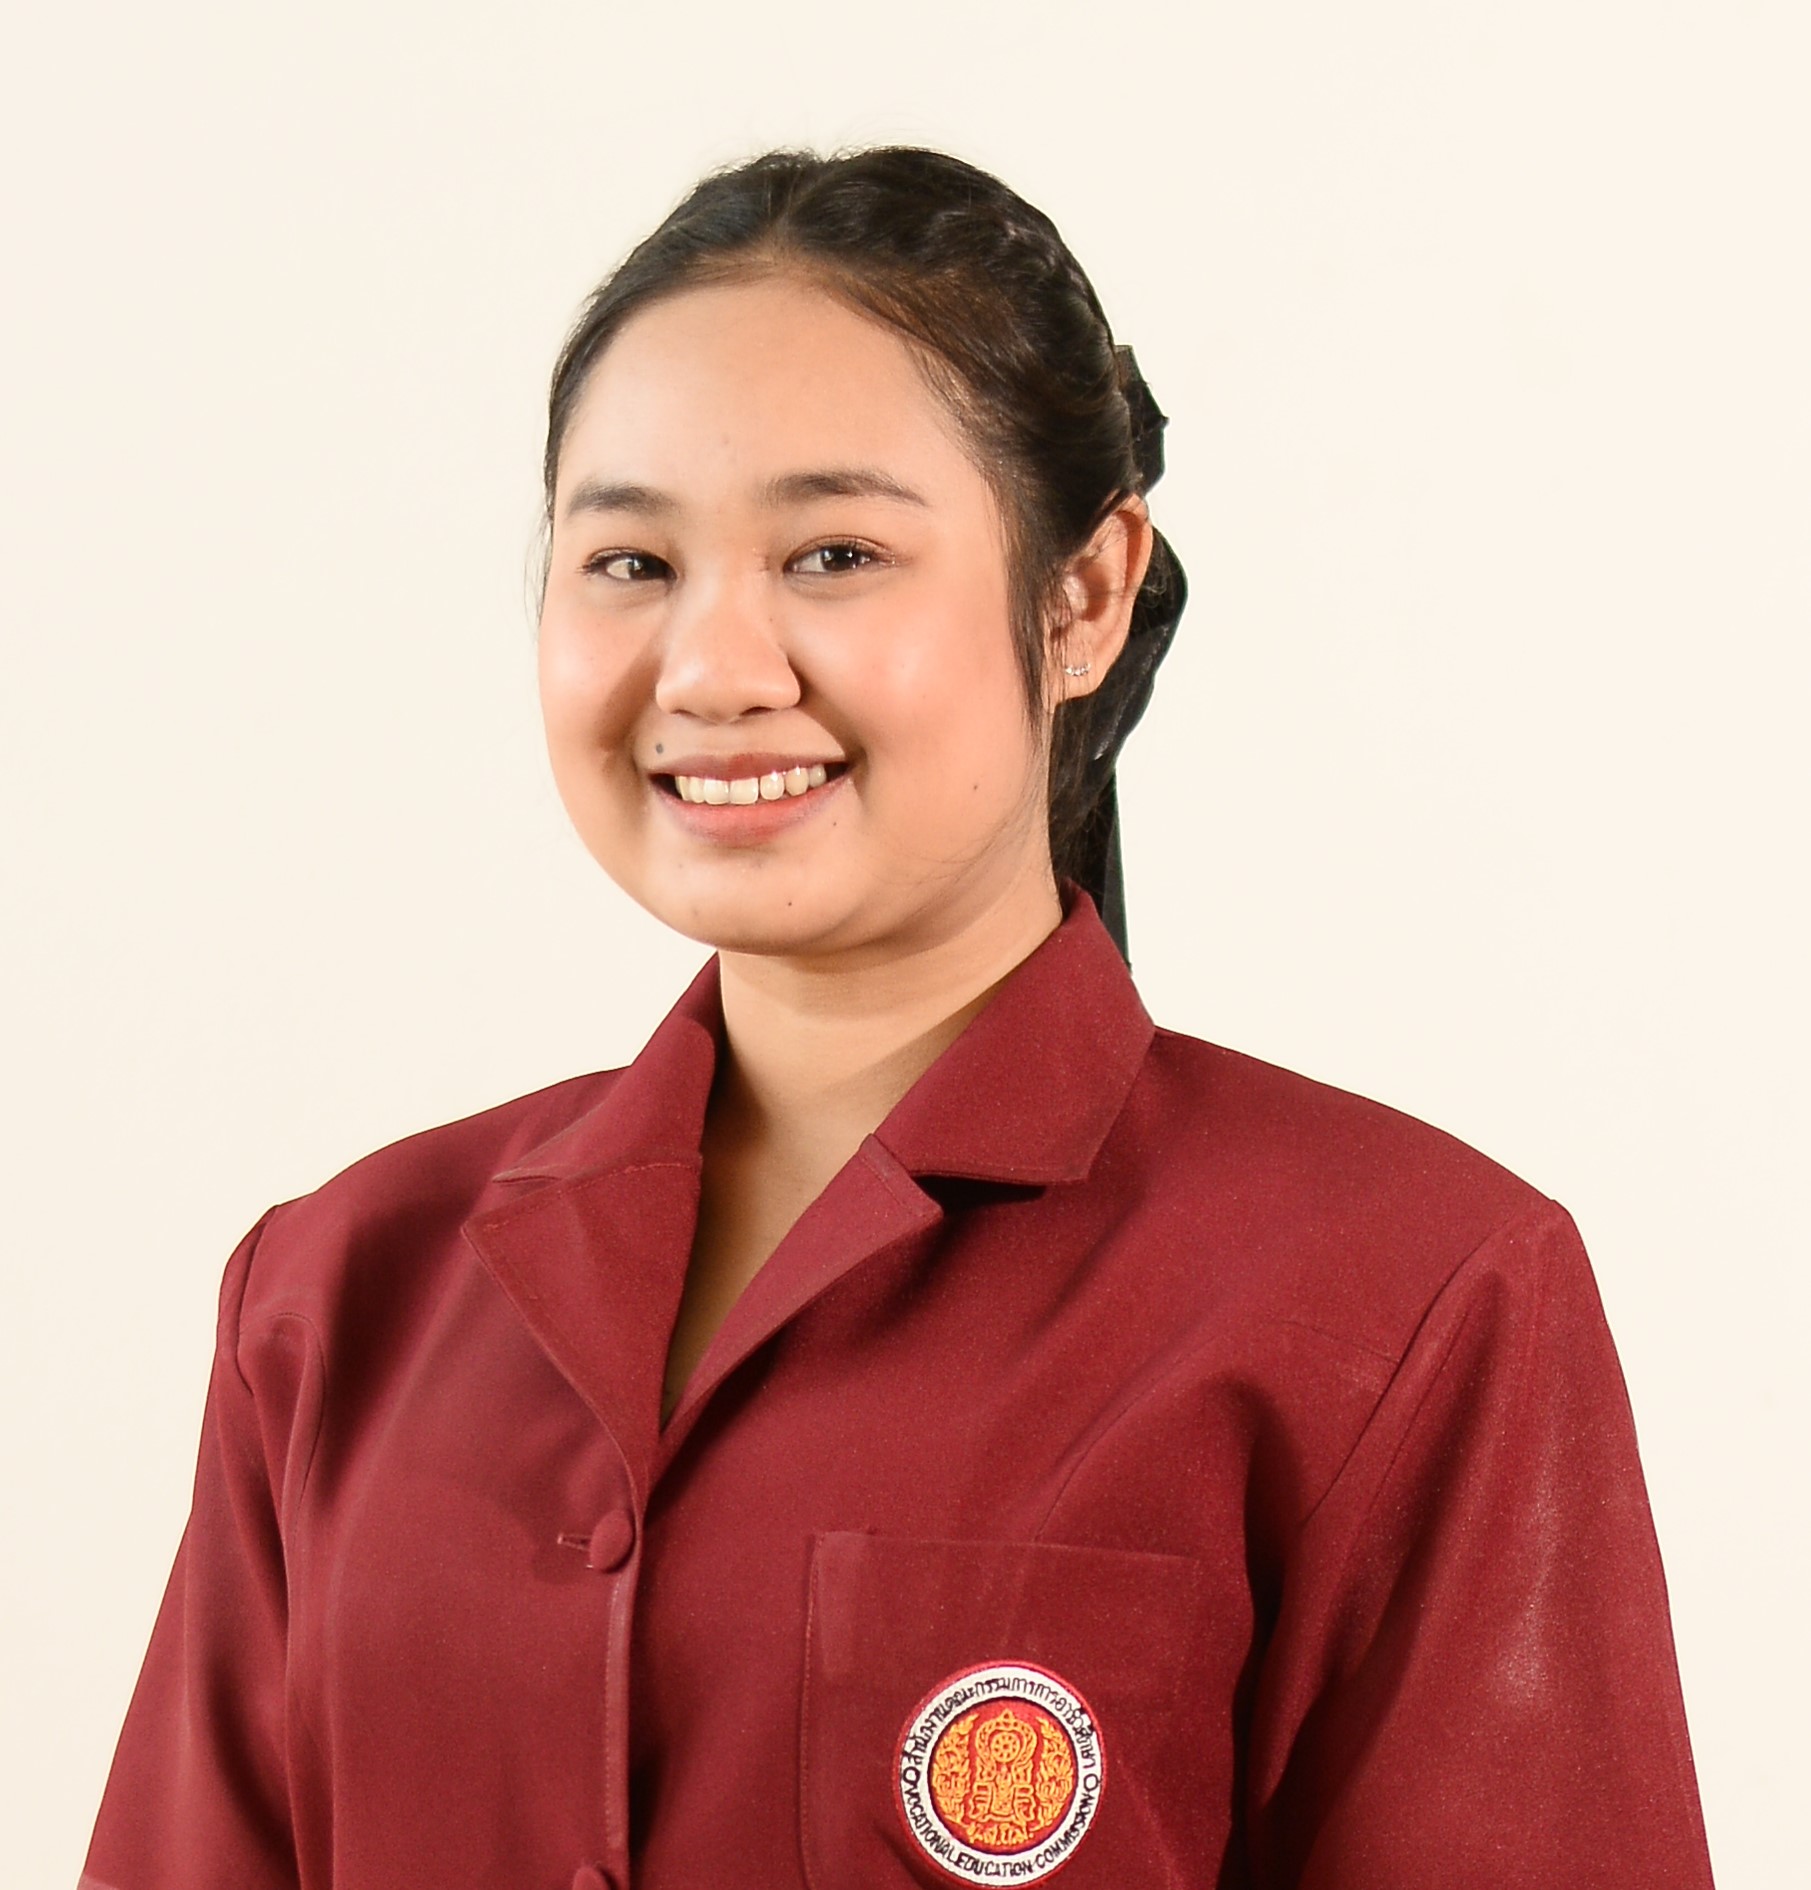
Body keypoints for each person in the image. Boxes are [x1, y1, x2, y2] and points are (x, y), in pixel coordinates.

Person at [80, 146, 1715, 1890]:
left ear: (1081, 594)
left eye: (836, 552)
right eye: (629, 560)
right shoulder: (335, 1297)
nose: (713, 667)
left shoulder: (1407, 1298)